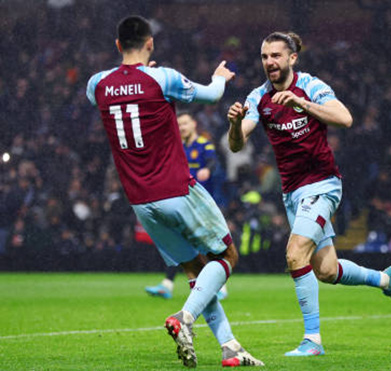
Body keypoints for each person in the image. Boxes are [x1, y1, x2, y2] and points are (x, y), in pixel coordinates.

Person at [86, 16, 262, 367]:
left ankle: (229, 347)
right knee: (227, 258)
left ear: (118, 46)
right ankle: (184, 318)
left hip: (140, 201)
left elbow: (124, 96)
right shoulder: (162, 77)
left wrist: (142, 80)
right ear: (150, 43)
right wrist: (219, 78)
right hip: (177, 188)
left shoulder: (97, 84)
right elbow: (211, 95)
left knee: (196, 271)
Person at [226, 31, 391, 357]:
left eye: (276, 56)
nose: (269, 62)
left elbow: (346, 118)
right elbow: (237, 143)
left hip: (323, 184)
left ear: (292, 58)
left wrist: (302, 103)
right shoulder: (259, 97)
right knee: (326, 270)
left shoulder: (310, 86)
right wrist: (235, 125)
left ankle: (313, 341)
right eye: (265, 56)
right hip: (292, 192)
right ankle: (385, 280)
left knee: (295, 254)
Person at [145, 111, 228, 301]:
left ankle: (221, 285)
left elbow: (213, 161)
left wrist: (208, 168)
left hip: (202, 204)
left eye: (185, 123)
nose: (181, 127)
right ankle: (167, 285)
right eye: (179, 124)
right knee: (177, 242)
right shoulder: (177, 147)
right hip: (182, 202)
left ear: (194, 124)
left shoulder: (204, 144)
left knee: (209, 245)